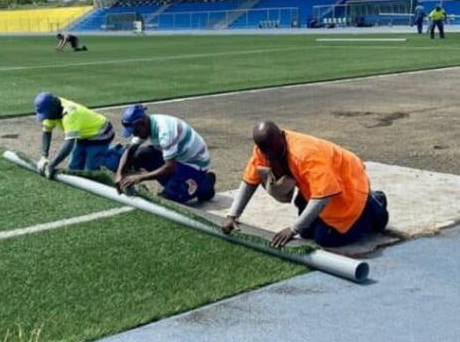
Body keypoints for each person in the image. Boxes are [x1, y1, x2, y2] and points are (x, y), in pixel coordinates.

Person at [221, 121, 388, 248]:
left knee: (326, 238)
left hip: (348, 184)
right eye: (267, 152)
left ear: (281, 137)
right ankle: (364, 210)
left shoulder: (304, 154)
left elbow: (323, 196)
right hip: (319, 187)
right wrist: (232, 216)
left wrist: (293, 228)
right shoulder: (263, 150)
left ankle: (374, 207)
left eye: (274, 150)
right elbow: (250, 180)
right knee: (308, 232)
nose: (271, 155)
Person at [115, 104, 216, 204]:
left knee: (169, 197)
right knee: (140, 154)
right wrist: (119, 174)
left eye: (135, 131)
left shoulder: (165, 133)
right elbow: (130, 149)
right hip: (178, 159)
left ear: (142, 123)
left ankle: (206, 183)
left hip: (194, 164)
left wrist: (139, 178)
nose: (135, 134)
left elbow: (170, 167)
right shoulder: (146, 124)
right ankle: (175, 182)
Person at [34, 92, 114, 176]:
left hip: (101, 133)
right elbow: (47, 131)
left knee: (91, 170)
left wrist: (52, 165)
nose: (47, 118)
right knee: (74, 166)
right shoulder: (51, 111)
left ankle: (112, 159)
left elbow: (69, 144)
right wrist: (44, 156)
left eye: (47, 115)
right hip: (84, 135)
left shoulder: (69, 114)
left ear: (54, 109)